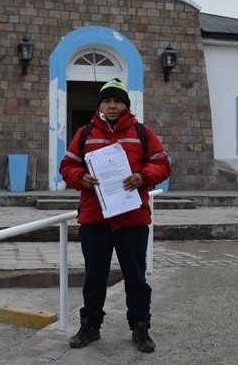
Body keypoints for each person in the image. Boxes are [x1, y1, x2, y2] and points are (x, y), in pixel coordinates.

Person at [59, 77, 171, 353]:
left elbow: (162, 165)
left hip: (132, 219)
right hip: (95, 219)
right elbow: (67, 166)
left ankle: (140, 328)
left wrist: (142, 176)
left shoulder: (142, 133)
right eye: (107, 101)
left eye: (117, 100)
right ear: (100, 105)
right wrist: (81, 178)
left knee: (135, 277)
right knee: (94, 277)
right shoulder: (85, 133)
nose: (112, 105)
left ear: (125, 104)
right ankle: (90, 326)